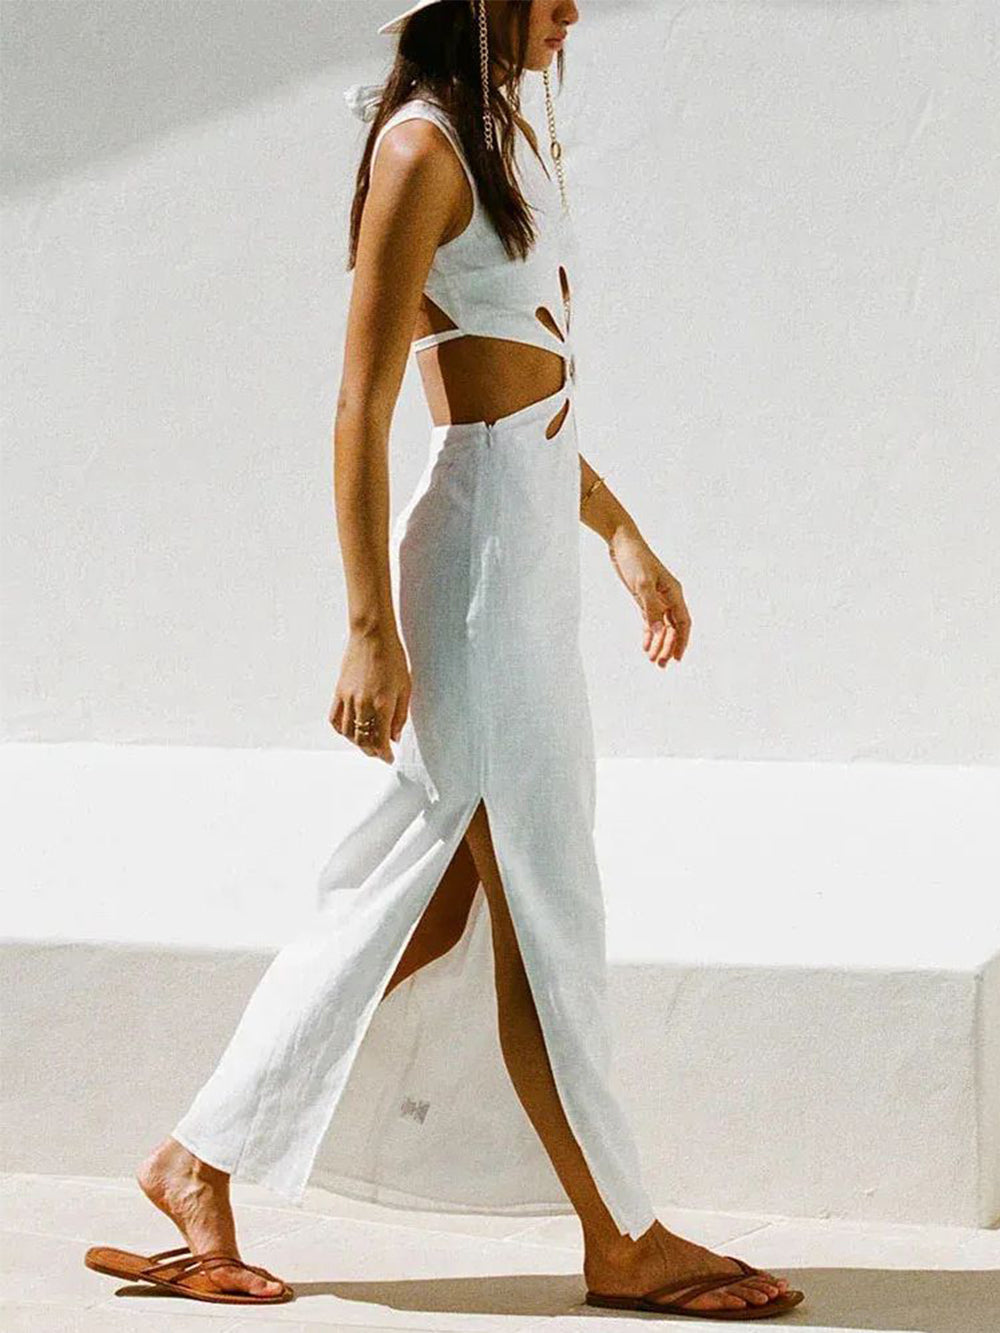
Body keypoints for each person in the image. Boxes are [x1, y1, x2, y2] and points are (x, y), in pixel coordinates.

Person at [86, 1, 804, 1318]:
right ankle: (621, 1234)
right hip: (472, 576)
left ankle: (197, 1155)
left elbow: (529, 391)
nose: (572, 11)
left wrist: (623, 534)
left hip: (525, 561)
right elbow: (367, 402)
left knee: (431, 899)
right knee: (539, 892)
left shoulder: (503, 142)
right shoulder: (421, 150)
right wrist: (368, 625)